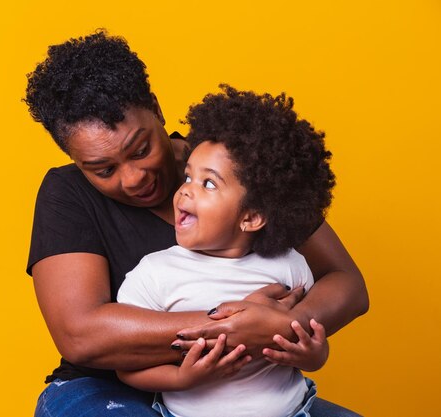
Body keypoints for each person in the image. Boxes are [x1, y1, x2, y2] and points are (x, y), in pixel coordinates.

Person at [24, 30, 368, 417]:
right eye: (103, 169)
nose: (133, 178)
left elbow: (347, 283)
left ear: (156, 109)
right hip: (108, 387)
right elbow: (81, 335)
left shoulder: (233, 167)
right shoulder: (67, 194)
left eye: (141, 150)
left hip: (240, 392)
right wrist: (230, 326)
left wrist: (284, 325)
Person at [116, 86, 334, 417]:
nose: (185, 189)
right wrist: (181, 377)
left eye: (208, 184)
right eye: (188, 176)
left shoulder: (290, 267)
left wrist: (313, 354)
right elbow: (126, 365)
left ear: (251, 217)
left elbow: (309, 347)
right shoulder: (153, 274)